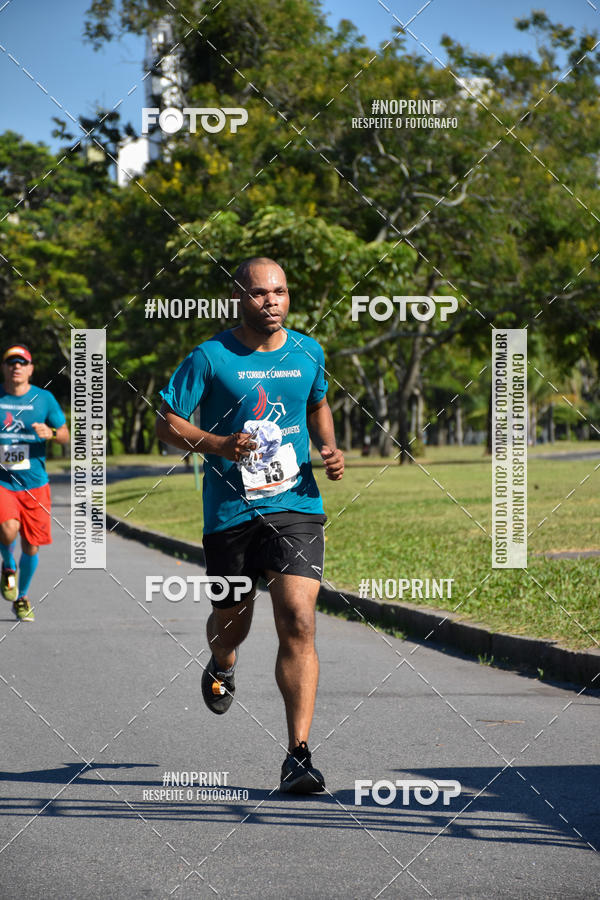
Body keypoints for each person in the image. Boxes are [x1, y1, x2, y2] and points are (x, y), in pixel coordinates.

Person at [157, 257, 344, 793]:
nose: (272, 302)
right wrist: (217, 444)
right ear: (239, 297)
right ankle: (221, 659)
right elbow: (166, 420)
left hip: (296, 506)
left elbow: (318, 403)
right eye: (261, 293)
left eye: (281, 292)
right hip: (230, 513)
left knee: (299, 619)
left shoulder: (309, 351)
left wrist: (328, 447)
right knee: (232, 620)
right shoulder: (210, 357)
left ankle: (299, 754)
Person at [0, 344, 69, 621]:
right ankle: (8, 565)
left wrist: (50, 432)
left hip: (35, 483)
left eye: (22, 362)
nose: (16, 366)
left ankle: (22, 597)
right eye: (10, 362)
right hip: (3, 481)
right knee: (7, 529)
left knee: (31, 544)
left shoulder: (44, 399)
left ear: (30, 369)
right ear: (4, 368)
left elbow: (65, 434)